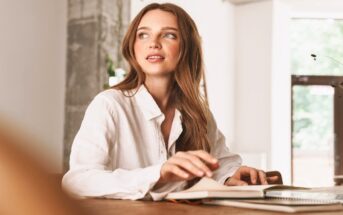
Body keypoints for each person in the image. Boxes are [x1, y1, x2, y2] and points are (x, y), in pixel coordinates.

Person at [62, 3, 280, 201]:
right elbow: (78, 180)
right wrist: (159, 173)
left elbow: (220, 163)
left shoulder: (198, 113)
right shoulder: (109, 104)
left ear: (186, 47)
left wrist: (231, 175)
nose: (154, 44)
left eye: (169, 35)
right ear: (133, 46)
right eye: (143, 35)